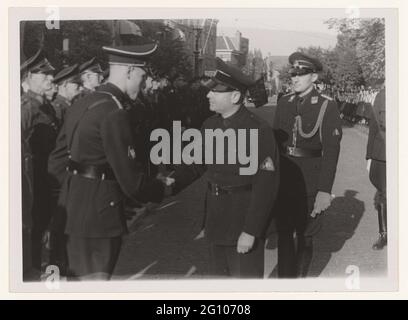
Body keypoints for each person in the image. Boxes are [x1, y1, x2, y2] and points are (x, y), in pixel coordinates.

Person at [47, 43, 166, 280]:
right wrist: (162, 187)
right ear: (130, 71)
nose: (143, 83)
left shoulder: (83, 101)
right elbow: (131, 180)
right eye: (142, 76)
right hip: (99, 217)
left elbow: (57, 162)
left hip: (69, 212)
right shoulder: (115, 110)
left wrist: (74, 195)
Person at [164, 58, 279, 278]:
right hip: (216, 221)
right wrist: (172, 183)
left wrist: (251, 231)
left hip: (242, 222)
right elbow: (197, 164)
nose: (208, 95)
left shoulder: (258, 130)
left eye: (215, 92)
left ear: (235, 96)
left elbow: (266, 187)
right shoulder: (210, 125)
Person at [272, 52, 342, 278]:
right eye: (293, 73)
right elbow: (275, 143)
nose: (295, 78)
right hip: (284, 179)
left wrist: (324, 190)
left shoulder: (326, 106)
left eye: (301, 74)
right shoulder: (284, 102)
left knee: (305, 236)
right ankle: (284, 284)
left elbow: (331, 152)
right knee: (283, 233)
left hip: (310, 181)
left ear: (314, 77)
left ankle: (299, 283)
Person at [20, 48, 57, 275]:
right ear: (26, 80)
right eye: (43, 76)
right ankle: (28, 268)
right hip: (30, 178)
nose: (50, 79)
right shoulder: (26, 107)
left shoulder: (41, 105)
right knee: (30, 223)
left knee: (39, 221)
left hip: (42, 176)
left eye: (50, 75)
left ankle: (34, 264)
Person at [366, 87, 386, 250]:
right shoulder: (382, 95)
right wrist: (369, 156)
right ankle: (384, 234)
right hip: (383, 154)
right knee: (383, 194)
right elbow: (374, 126)